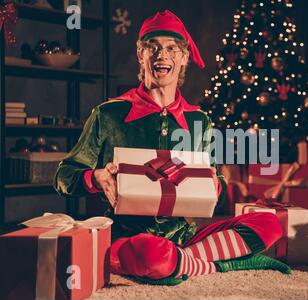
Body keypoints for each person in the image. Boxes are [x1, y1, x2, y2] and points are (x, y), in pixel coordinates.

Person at [54, 10, 291, 285]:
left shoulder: (199, 120)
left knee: (269, 224)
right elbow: (64, 176)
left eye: (171, 48)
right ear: (140, 55)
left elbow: (217, 181)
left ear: (183, 58)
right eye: (152, 47)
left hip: (185, 236)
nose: (161, 55)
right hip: (128, 237)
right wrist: (95, 177)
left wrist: (216, 185)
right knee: (152, 255)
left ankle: (183, 261)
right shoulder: (108, 115)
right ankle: (207, 262)